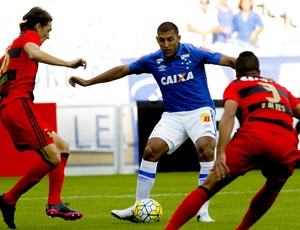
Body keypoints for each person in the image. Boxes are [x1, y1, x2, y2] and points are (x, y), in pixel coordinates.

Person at [69, 21, 235, 223]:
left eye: (170, 40)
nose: (166, 44)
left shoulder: (195, 52)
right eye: (162, 40)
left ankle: (203, 211)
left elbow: (230, 61)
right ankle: (138, 207)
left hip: (199, 111)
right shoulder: (153, 60)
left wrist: (252, 77)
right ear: (157, 40)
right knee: (151, 150)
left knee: (206, 148)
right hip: (173, 114)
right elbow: (122, 71)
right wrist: (88, 82)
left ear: (179, 38)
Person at [164, 51, 300, 230]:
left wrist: (220, 153)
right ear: (258, 71)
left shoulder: (236, 85)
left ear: (236, 71)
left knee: (209, 186)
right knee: (274, 185)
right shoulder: (279, 87)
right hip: (285, 142)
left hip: (253, 137)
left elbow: (228, 115)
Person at [0, 6, 87, 229]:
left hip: (13, 106)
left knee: (62, 146)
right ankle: (9, 199)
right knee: (53, 157)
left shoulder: (10, 49)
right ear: (38, 26)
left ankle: (54, 202)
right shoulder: (29, 38)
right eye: (48, 29)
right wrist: (68, 63)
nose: (48, 35)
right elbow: (33, 51)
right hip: (19, 104)